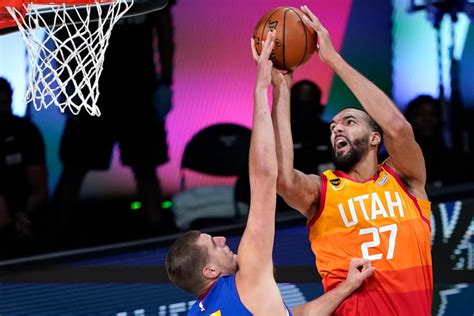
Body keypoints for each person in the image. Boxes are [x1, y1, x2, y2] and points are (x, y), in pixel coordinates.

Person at [166, 31, 374, 316]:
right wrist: (264, 88)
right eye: (212, 244)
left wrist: (346, 287)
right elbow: (264, 179)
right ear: (210, 269)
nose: (223, 239)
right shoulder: (247, 279)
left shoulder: (198, 312)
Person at [274, 6, 433, 315]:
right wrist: (282, 90)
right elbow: (282, 178)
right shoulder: (323, 190)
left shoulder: (406, 181)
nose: (336, 128)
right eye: (333, 127)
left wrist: (333, 59)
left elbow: (398, 128)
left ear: (375, 138)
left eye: (348, 121)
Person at [51, 1, 176, 239]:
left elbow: (164, 24)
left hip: (139, 90)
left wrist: (166, 82)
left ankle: (161, 240)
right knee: (75, 167)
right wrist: (68, 82)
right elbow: (62, 28)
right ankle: (47, 243)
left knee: (145, 168)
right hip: (91, 90)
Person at [0, 77, 48, 258]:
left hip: (24, 213)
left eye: (5, 102)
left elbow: (40, 190)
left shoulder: (27, 131)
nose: (2, 108)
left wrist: (21, 217)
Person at [404, 94, 473, 188]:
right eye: (420, 114)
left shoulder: (456, 159)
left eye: (432, 114)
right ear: (409, 120)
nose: (427, 119)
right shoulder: (392, 162)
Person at [291, 79, 333, 175]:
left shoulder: (335, 136)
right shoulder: (273, 137)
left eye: (309, 105)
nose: (303, 112)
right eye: (298, 106)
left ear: (320, 108)